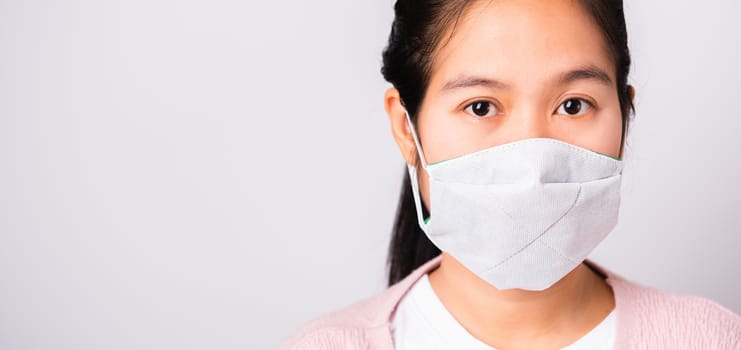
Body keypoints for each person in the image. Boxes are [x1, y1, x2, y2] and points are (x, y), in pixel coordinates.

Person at [280, 0, 741, 348]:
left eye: (573, 105)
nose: (533, 155)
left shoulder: (709, 339)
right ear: (406, 127)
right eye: (481, 106)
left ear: (624, 114)